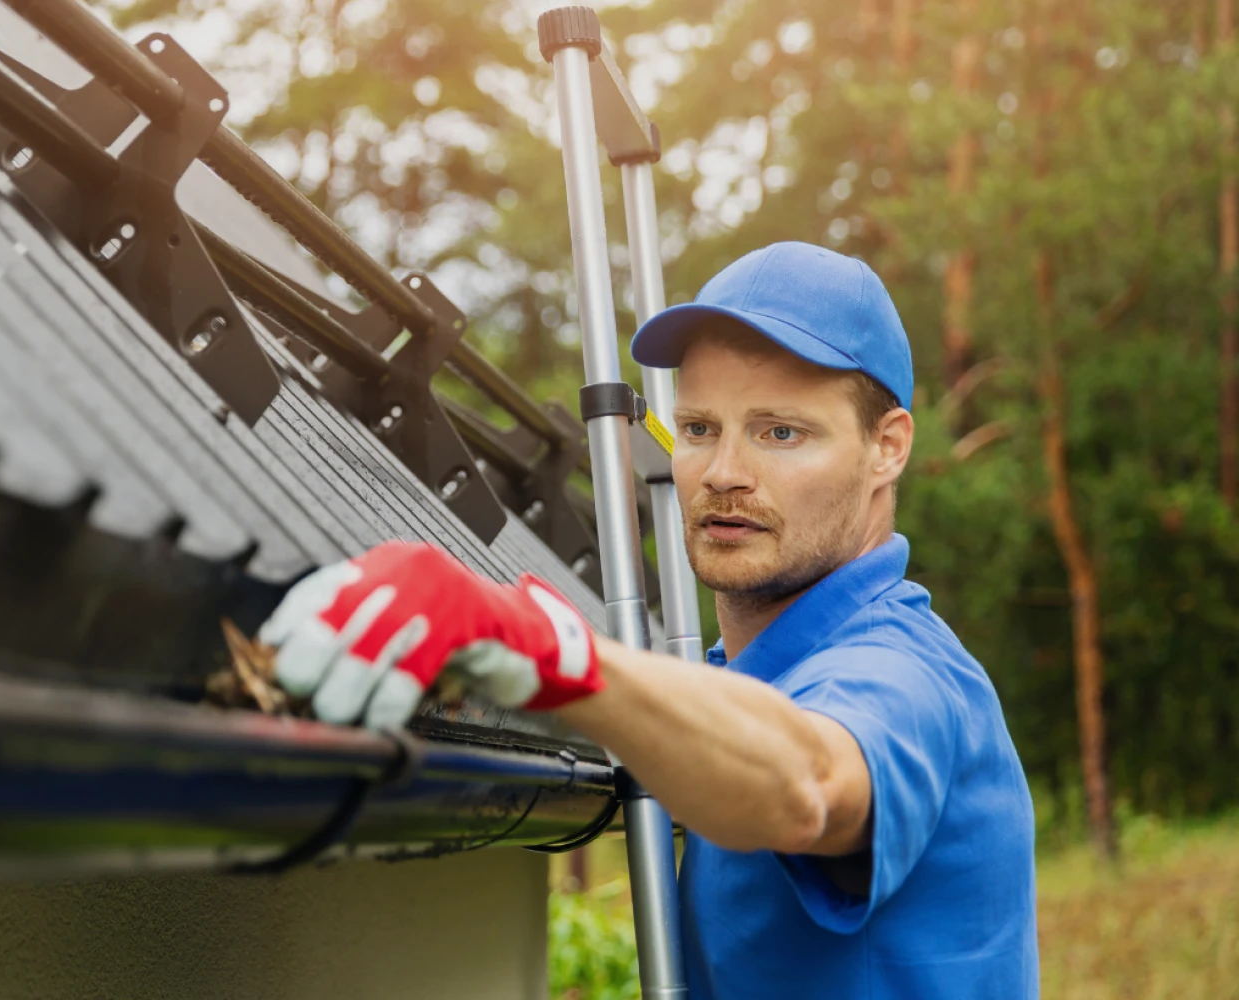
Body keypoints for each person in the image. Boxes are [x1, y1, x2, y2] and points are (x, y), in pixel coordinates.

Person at [259, 242, 1039, 998]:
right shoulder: (733, 677)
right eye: (699, 429)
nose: (725, 474)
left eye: (781, 432)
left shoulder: (904, 671)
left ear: (887, 448)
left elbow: (810, 781)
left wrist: (553, 650)